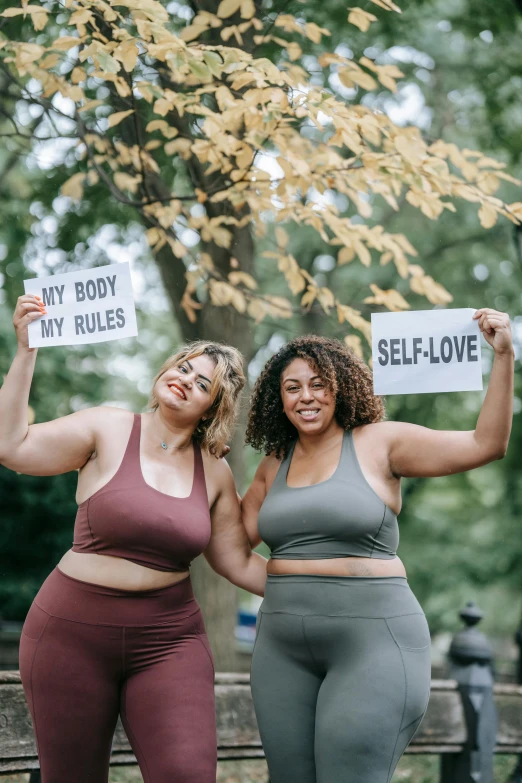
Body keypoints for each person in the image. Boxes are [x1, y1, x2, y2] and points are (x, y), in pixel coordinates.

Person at [0, 293, 267, 783]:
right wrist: (26, 351)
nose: (186, 379)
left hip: (169, 641)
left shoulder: (216, 472)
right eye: (183, 367)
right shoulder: (106, 427)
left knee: (187, 775)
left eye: (202, 382)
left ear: (214, 406)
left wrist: (332, 581)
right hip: (70, 633)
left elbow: (240, 564)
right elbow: (11, 447)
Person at [241, 309, 513, 783]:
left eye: (318, 383)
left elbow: (485, 443)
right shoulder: (272, 464)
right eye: (292, 387)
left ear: (340, 387)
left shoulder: (380, 443)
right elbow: (226, 540)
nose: (306, 396)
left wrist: (504, 356)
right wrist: (194, 451)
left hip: (372, 643)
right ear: (276, 398)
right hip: (280, 649)